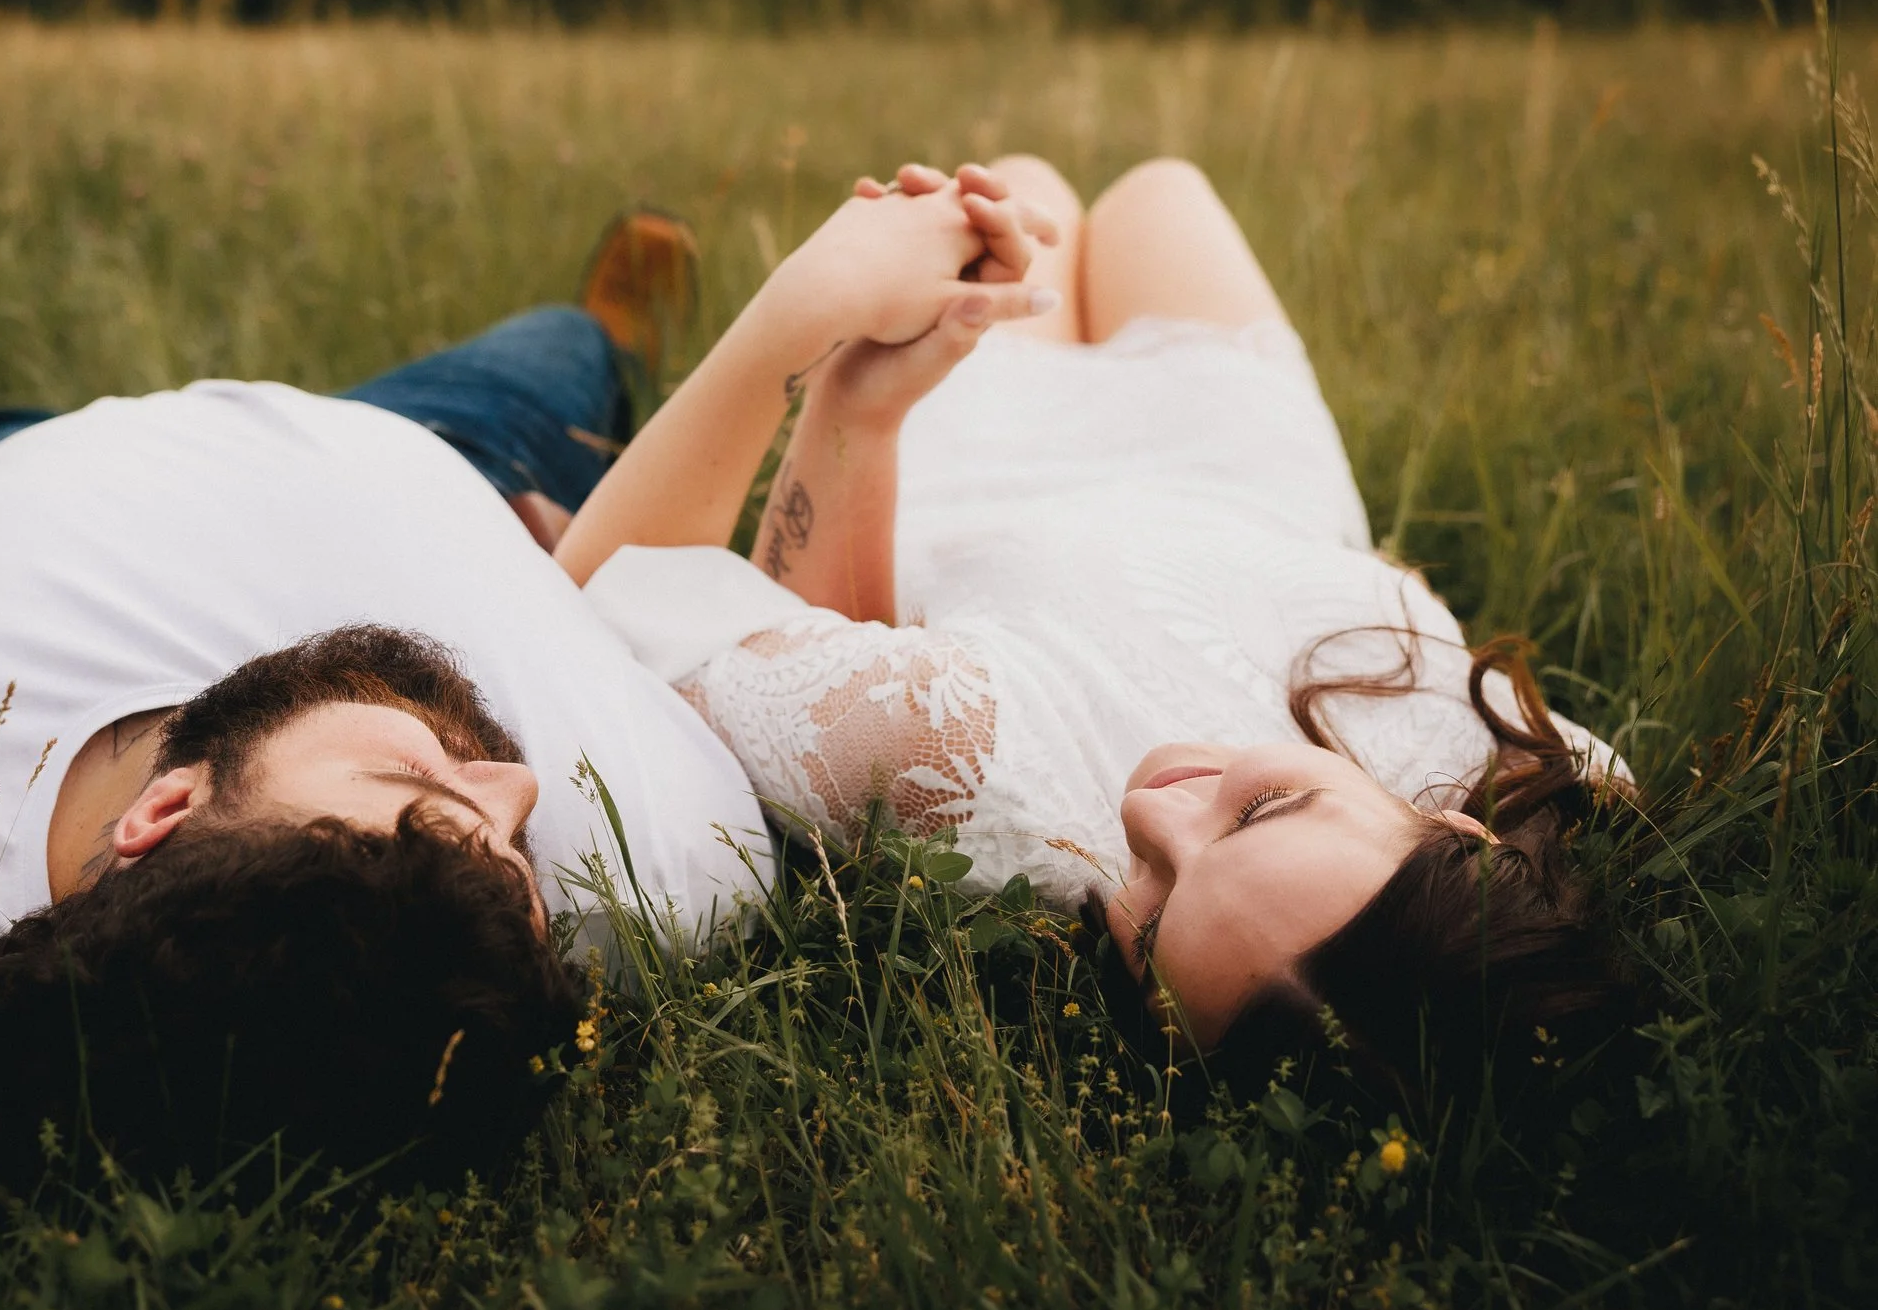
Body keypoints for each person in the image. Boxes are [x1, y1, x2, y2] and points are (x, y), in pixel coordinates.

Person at [0, 194, 1046, 1188]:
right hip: (451, 471)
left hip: (60, 491)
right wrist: (804, 324)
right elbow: (661, 597)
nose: (511, 787)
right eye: (511, 850)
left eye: (416, 788)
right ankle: (608, 344)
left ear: (164, 815)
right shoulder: (647, 863)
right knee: (546, 357)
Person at [564, 156, 1628, 1106]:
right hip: (1241, 463)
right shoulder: (1536, 780)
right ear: (1457, 839)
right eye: (1264, 806)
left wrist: (838, 371)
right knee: (1162, 185)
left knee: (1024, 184)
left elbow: (638, 585)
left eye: (1154, 921)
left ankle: (599, 358)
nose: (1152, 809)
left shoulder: (967, 768)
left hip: (988, 461)